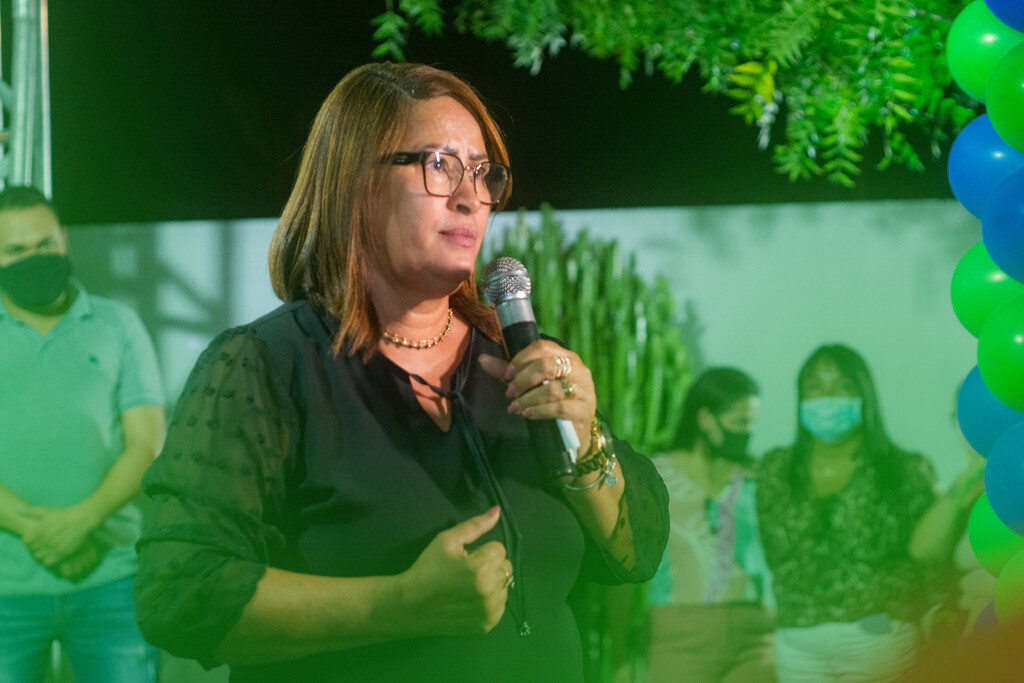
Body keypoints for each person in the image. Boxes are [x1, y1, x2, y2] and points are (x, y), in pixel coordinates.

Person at [133, 62, 670, 683]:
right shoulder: (264, 366)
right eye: (439, 165)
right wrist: (400, 605)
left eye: (483, 172)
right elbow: (179, 594)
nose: (470, 197)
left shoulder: (522, 363)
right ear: (356, 184)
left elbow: (636, 553)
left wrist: (584, 441)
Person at [0, 186, 165, 682]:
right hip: (5, 588)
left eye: (44, 244)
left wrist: (82, 521)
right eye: (15, 250)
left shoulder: (119, 325)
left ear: (64, 239)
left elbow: (147, 444)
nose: (34, 258)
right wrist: (45, 532)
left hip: (111, 580)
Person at [756, 344, 940, 682]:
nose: (828, 397)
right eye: (815, 387)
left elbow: (931, 557)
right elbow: (772, 553)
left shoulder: (904, 469)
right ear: (800, 398)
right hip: (797, 643)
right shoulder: (774, 470)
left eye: (843, 386)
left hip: (879, 637)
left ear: (864, 396)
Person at [644, 367, 775, 682]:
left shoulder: (754, 479)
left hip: (753, 634)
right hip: (679, 635)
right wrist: (621, 654)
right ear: (705, 419)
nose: (747, 433)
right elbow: (625, 561)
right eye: (739, 423)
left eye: (751, 423)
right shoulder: (656, 476)